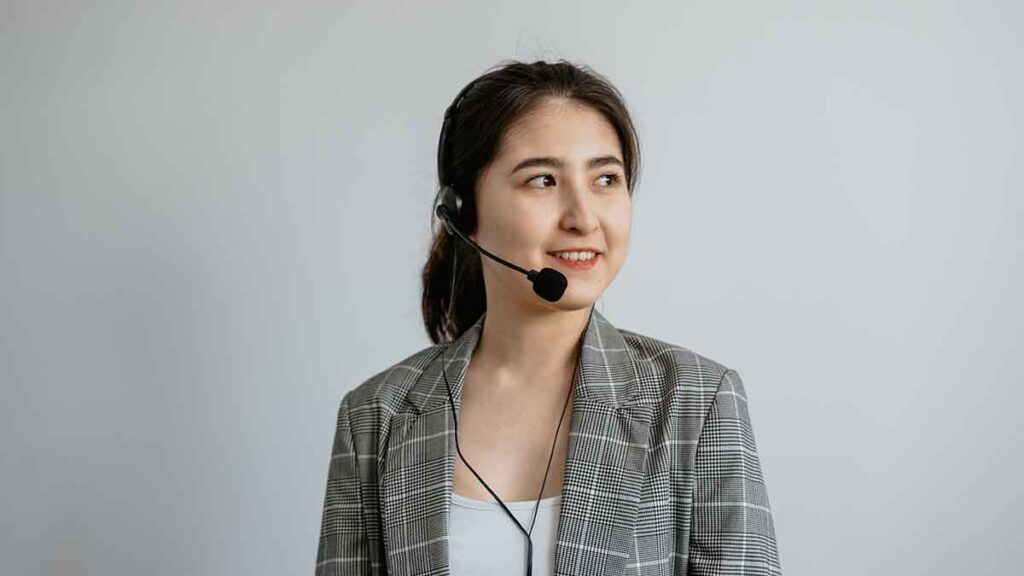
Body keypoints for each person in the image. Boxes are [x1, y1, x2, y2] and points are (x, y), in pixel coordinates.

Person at [315, 59, 781, 576]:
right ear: (463, 212)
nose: (583, 218)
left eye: (606, 178)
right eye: (543, 180)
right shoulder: (376, 416)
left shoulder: (698, 400)